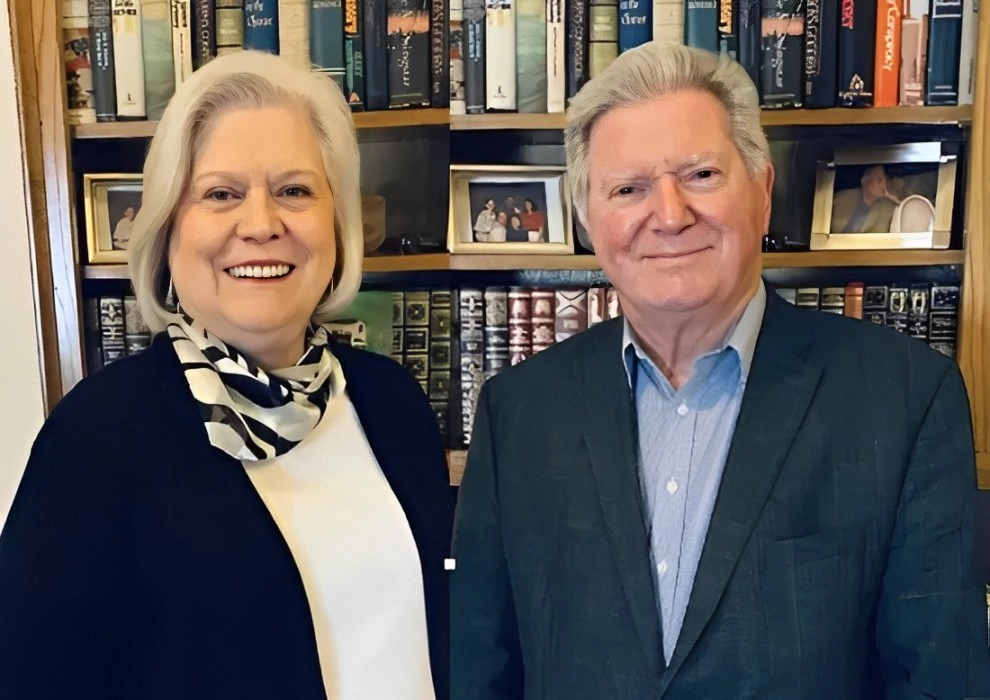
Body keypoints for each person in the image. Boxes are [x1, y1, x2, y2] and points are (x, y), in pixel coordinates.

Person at [451, 42, 985, 699]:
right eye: (629, 188)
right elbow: (481, 671)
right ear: (589, 221)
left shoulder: (903, 399)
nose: (670, 215)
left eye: (701, 175)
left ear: (761, 193)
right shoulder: (519, 413)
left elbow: (940, 681)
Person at [0, 51, 451, 699]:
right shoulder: (96, 439)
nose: (262, 224)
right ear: (168, 229)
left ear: (337, 224)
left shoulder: (391, 402)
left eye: (294, 191)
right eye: (221, 194)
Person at [831, 164, 899, 233]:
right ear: (865, 181)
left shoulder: (886, 208)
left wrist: (894, 199)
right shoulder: (842, 198)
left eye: (884, 179)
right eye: (879, 180)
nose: (883, 184)